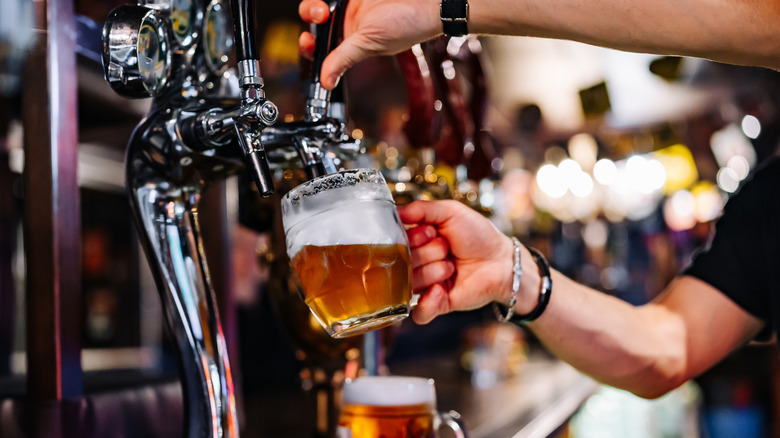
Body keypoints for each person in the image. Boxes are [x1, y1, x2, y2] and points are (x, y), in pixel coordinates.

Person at [298, 0, 778, 398]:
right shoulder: (769, 201)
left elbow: (764, 22)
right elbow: (669, 348)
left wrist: (442, 9)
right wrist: (511, 271)